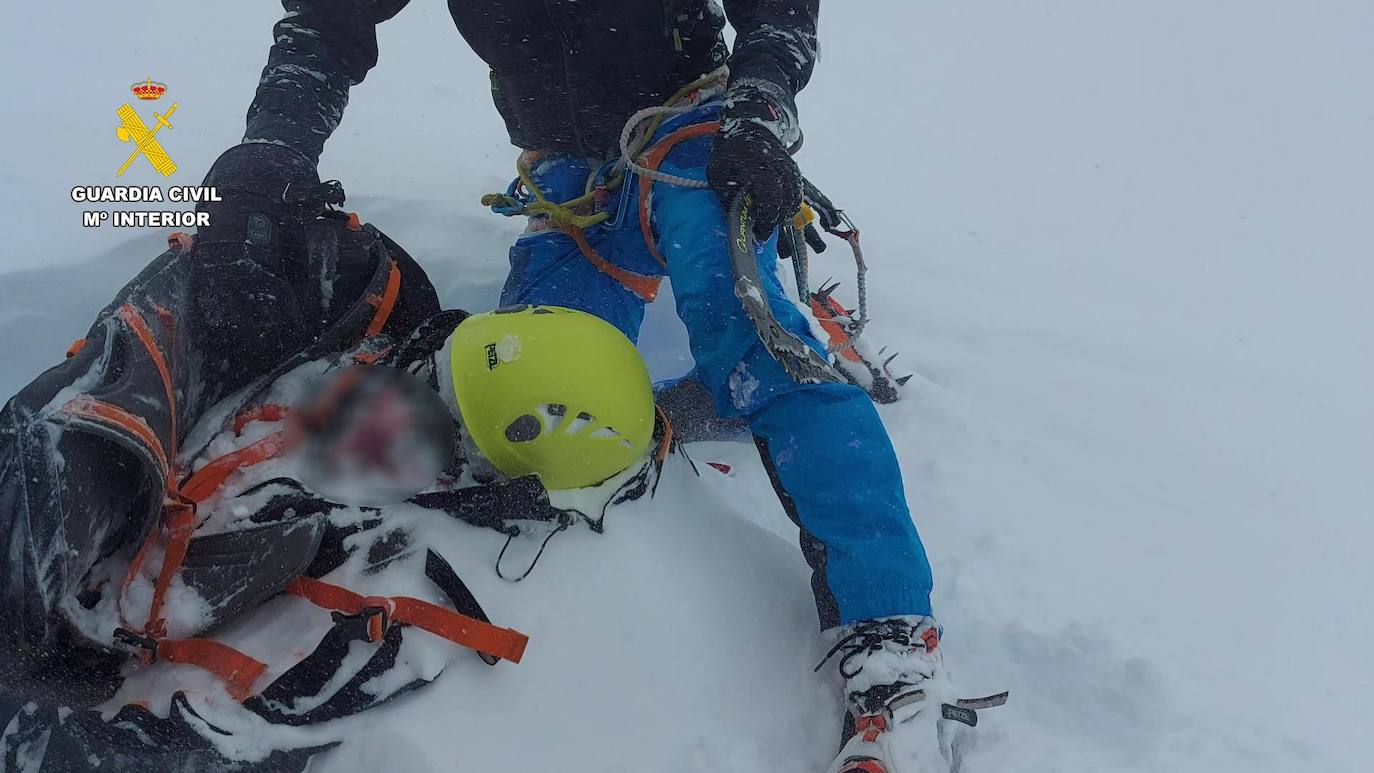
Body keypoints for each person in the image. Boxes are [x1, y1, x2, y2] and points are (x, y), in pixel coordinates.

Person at [203, 3, 990, 771]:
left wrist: (758, 109)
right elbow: (327, 19)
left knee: (754, 337)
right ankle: (687, 410)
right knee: (525, 394)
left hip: (693, 132)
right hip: (572, 173)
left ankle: (896, 647)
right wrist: (273, 149)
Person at [0, 188, 673, 769]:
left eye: (440, 412)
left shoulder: (367, 561)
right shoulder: (350, 308)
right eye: (429, 369)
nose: (406, 400)